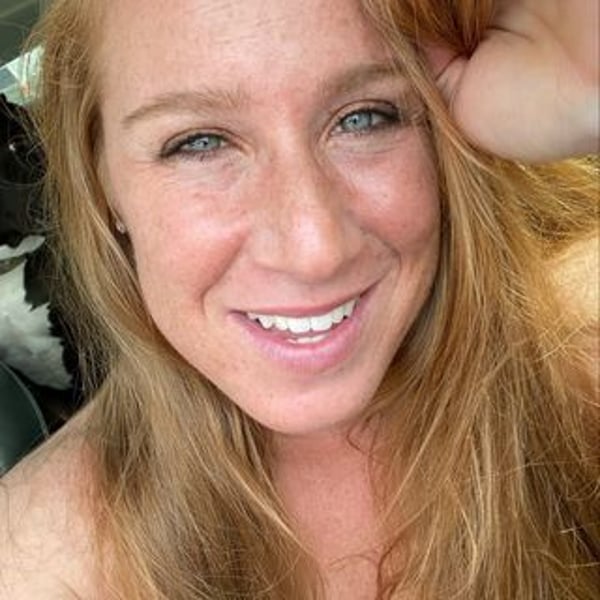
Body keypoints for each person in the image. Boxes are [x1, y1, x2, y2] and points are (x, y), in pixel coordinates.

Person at [0, 0, 598, 598]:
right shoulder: (32, 564)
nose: (315, 249)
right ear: (102, 182)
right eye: (200, 142)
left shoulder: (581, 358)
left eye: (364, 118)